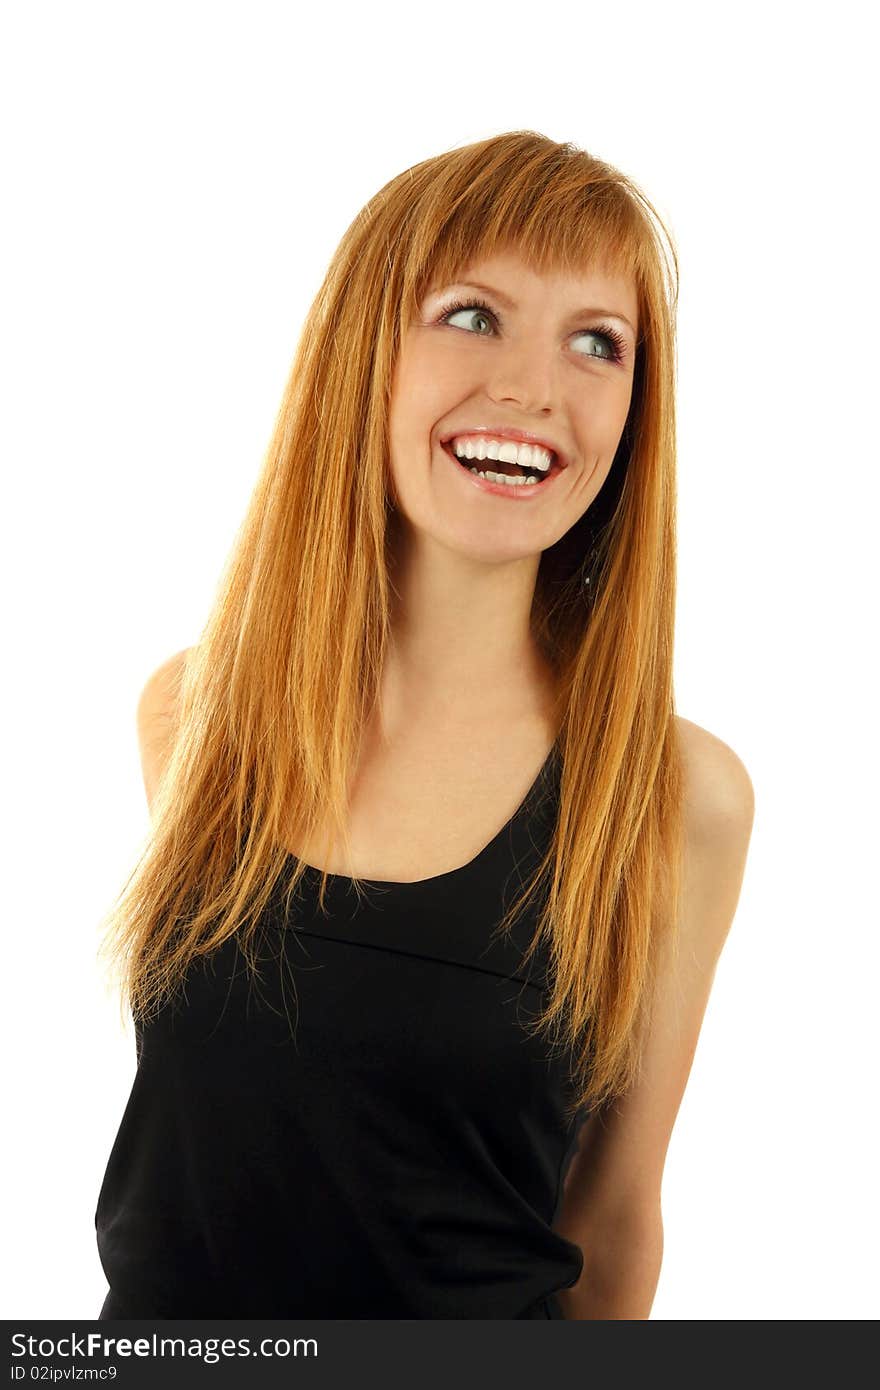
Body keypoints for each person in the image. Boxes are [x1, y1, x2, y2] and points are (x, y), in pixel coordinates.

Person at [94, 130, 755, 1320]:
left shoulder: (674, 797)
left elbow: (610, 1226)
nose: (533, 389)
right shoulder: (193, 716)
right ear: (362, 350)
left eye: (596, 342)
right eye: (472, 315)